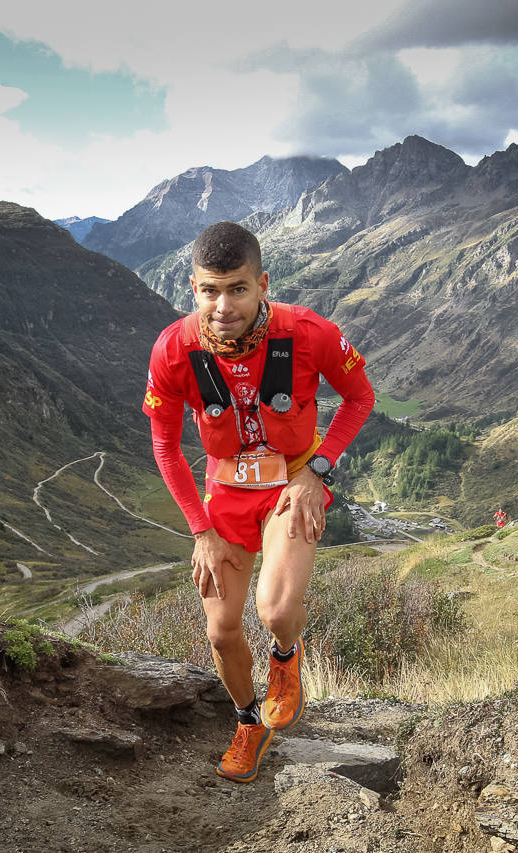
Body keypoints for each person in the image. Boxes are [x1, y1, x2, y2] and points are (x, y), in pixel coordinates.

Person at [143, 221, 375, 782]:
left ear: (263, 283)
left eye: (238, 289)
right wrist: (201, 530)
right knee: (220, 631)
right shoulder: (174, 349)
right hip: (225, 492)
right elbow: (166, 446)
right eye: (210, 290)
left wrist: (318, 472)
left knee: (274, 610)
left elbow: (359, 397)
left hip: (293, 482)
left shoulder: (311, 332)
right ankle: (249, 723)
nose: (223, 305)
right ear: (193, 287)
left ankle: (286, 657)